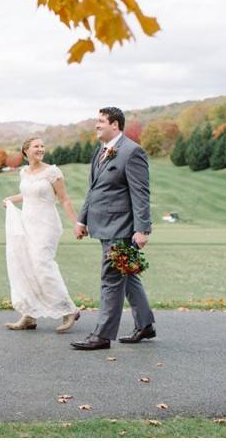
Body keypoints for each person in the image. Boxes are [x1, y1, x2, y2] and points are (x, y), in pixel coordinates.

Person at [71, 106, 155, 351]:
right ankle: (145, 324)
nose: (96, 125)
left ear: (115, 125)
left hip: (120, 228)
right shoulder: (100, 151)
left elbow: (141, 194)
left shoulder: (132, 152)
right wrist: (81, 220)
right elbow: (94, 189)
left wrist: (143, 229)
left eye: (101, 121)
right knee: (126, 274)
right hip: (102, 225)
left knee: (110, 279)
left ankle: (103, 335)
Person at [2, 137, 80, 333]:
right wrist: (11, 199)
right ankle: (29, 315)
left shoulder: (52, 172)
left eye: (43, 145)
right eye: (36, 146)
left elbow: (64, 200)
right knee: (26, 266)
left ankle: (69, 310)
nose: (41, 148)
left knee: (42, 265)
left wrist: (77, 224)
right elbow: (28, 195)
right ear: (26, 151)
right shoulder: (24, 172)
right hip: (27, 224)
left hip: (46, 225)